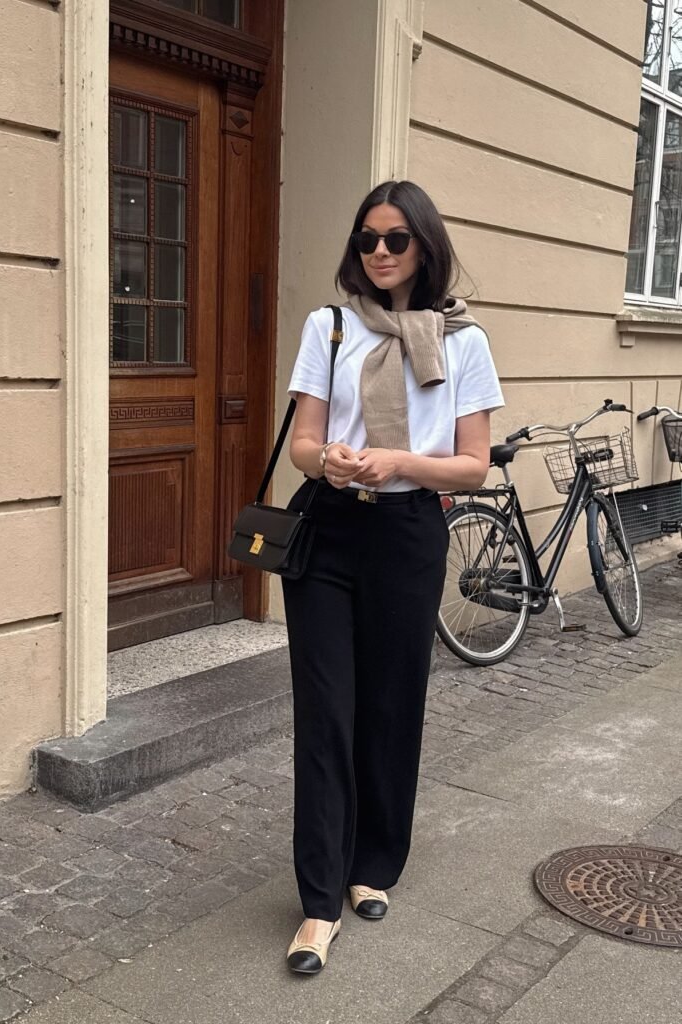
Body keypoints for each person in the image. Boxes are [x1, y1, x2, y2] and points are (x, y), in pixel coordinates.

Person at [282, 180, 504, 974]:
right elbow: (305, 441)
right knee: (326, 713)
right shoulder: (328, 326)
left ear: (424, 247)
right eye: (367, 238)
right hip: (328, 527)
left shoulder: (463, 341)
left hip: (408, 531)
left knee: (390, 705)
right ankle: (316, 903)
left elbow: (473, 467)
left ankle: (373, 864)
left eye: (395, 239)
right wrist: (330, 461)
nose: (378, 252)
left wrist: (401, 460)